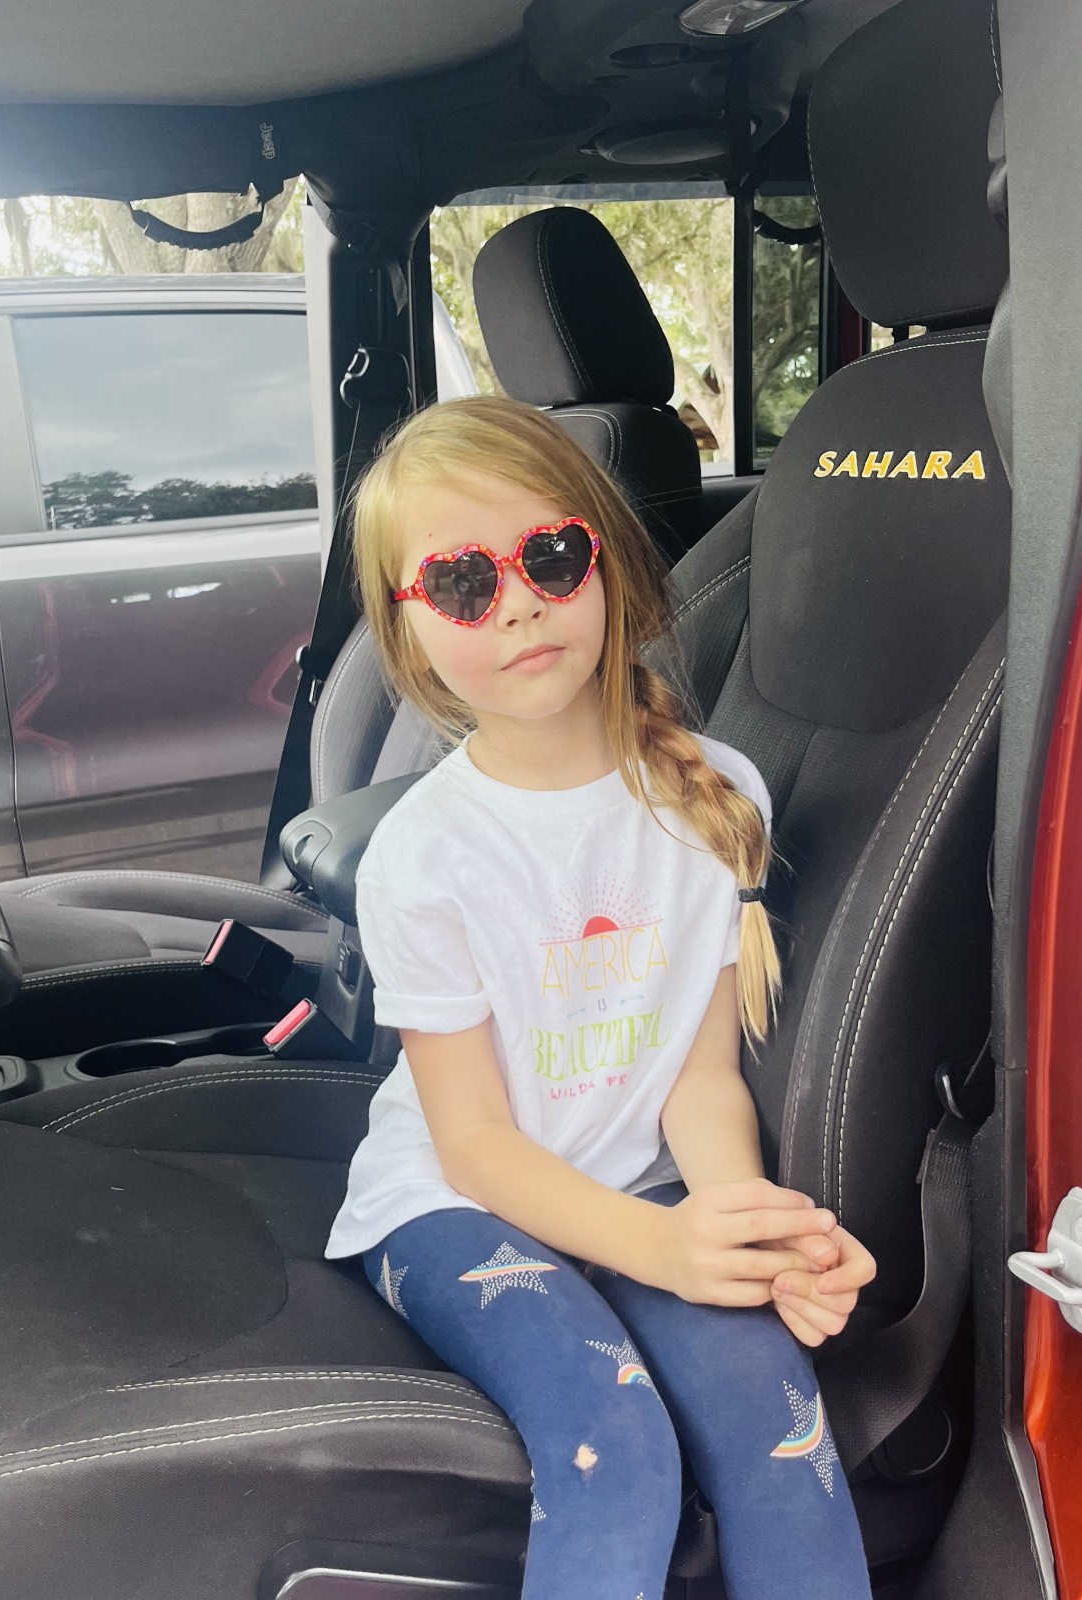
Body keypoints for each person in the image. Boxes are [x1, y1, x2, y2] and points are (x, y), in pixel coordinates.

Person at [325, 395, 876, 1600]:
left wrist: (741, 1228)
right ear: (408, 632)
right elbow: (473, 1143)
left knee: (779, 1421)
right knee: (614, 1443)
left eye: (553, 556)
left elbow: (697, 1075)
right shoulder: (423, 856)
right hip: (453, 1202)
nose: (518, 603)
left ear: (609, 562)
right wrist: (660, 1246)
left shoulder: (717, 796)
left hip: (646, 1183)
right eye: (462, 582)